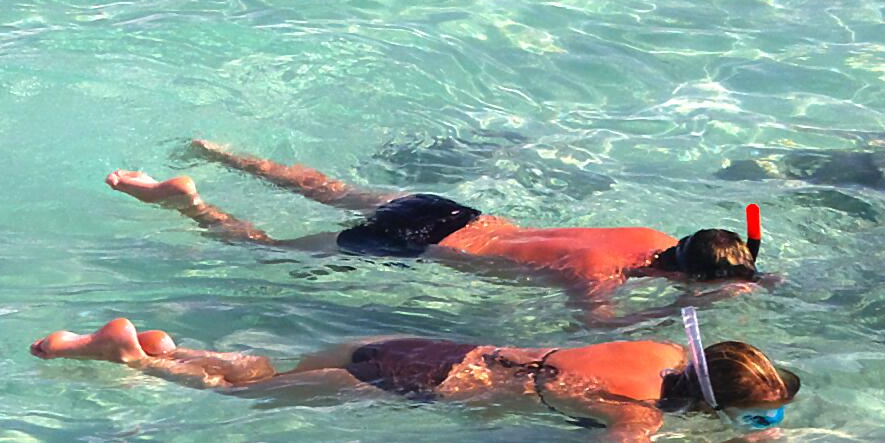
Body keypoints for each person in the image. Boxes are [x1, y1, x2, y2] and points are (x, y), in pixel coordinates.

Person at [29, 314, 799, 443]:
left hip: (433, 348)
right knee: (255, 403)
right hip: (428, 384)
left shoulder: (662, 351)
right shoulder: (636, 413)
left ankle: (174, 347)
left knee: (269, 375)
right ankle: (132, 358)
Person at [100, 139, 761, 324]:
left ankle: (218, 153)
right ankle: (184, 203)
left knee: (323, 186)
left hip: (454, 214)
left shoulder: (642, 230)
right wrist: (683, 304)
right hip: (421, 247)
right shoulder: (597, 279)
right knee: (266, 251)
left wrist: (720, 276)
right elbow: (594, 327)